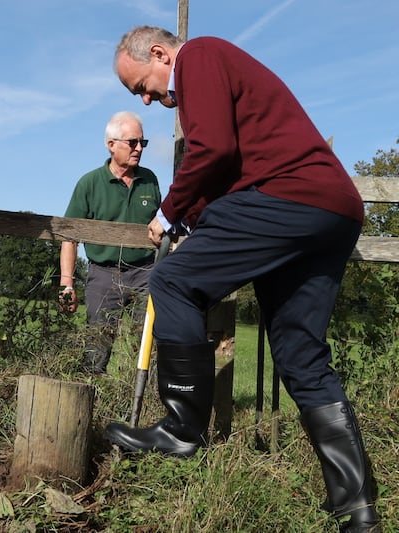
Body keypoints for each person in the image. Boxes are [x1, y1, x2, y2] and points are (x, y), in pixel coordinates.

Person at [103, 26, 380, 532]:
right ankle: (357, 511)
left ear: (161, 54)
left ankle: (182, 427)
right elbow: (232, 167)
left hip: (290, 198)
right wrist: (191, 212)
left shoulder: (200, 56)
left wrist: (168, 213)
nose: (147, 98)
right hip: (332, 209)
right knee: (300, 356)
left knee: (172, 281)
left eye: (140, 84)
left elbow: (211, 150)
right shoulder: (219, 71)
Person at [58, 111, 161, 374]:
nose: (139, 148)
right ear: (111, 144)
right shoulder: (89, 183)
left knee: (148, 343)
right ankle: (91, 400)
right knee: (96, 346)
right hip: (104, 273)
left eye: (143, 143)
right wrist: (66, 284)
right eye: (133, 142)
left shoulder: (150, 180)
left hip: (145, 272)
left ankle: (142, 403)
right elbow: (70, 235)